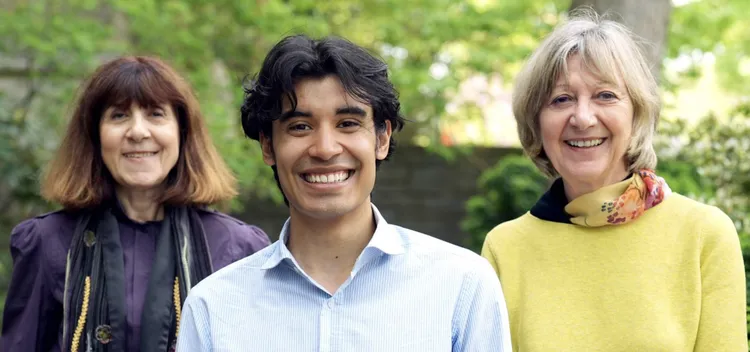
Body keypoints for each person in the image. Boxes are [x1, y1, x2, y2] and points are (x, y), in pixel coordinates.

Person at [175, 34, 512, 351]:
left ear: (381, 138)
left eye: (348, 123)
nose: (324, 148)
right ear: (268, 146)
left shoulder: (461, 286)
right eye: (300, 127)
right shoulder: (213, 307)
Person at [481, 9, 747, 351]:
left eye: (605, 95)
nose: (582, 117)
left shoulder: (703, 234)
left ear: (637, 113)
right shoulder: (504, 248)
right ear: (537, 122)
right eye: (561, 99)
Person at [0, 56, 271, 352]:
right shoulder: (46, 242)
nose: (138, 132)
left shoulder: (237, 248)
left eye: (155, 114)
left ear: (182, 133)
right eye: (118, 116)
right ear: (95, 135)